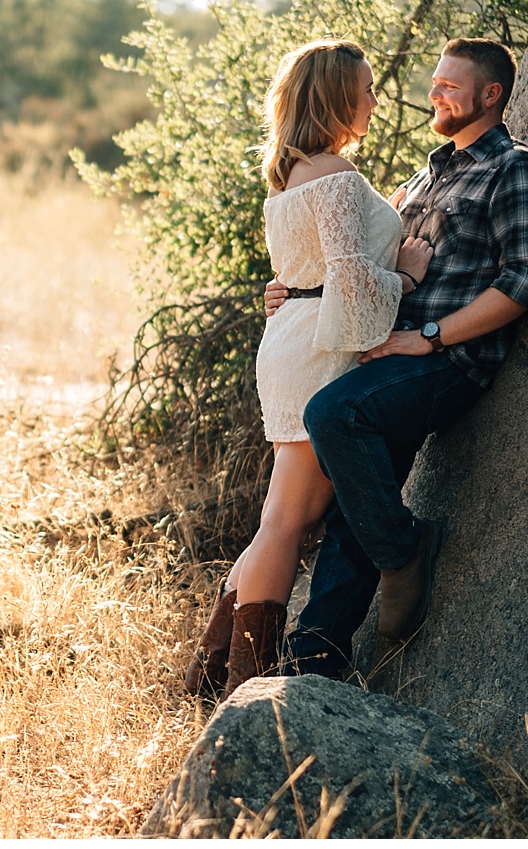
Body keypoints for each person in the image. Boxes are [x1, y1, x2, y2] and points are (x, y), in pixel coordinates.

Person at [269, 37, 528, 680]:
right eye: (435, 82)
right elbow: (362, 266)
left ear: (491, 95)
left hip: (449, 362)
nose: (435, 94)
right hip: (389, 354)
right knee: (354, 502)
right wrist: (294, 292)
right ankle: (315, 657)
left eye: (451, 86)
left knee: (335, 416)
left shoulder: (517, 170)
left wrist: (429, 336)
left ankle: (404, 555)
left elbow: (524, 284)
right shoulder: (422, 178)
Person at [183, 38, 434, 701]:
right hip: (318, 349)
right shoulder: (338, 178)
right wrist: (406, 277)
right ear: (338, 96)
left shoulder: (298, 171)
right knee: (287, 520)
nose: (376, 100)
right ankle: (246, 685)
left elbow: (309, 273)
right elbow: (352, 284)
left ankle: (212, 671)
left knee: (285, 512)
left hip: (294, 337)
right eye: (369, 88)